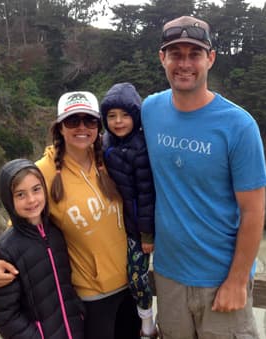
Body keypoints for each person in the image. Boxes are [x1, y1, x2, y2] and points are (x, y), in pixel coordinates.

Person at [141, 16, 266, 338]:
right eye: (176, 54)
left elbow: (253, 211)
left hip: (220, 278)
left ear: (210, 58)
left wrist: (238, 281)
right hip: (168, 276)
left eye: (194, 54)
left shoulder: (239, 126)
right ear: (163, 58)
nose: (185, 63)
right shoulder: (150, 110)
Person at [0, 91, 141, 339]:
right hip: (92, 296)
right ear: (59, 128)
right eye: (72, 121)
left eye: (89, 121)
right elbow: (19, 224)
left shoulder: (109, 158)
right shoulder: (42, 172)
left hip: (128, 287)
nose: (82, 128)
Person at [0, 158, 84, 339]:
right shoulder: (7, 249)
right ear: (9, 200)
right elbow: (4, 316)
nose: (31, 200)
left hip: (74, 331)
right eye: (20, 195)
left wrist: (79, 313)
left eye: (36, 189)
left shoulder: (57, 232)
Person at [100, 82, 157, 338]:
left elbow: (147, 194)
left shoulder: (141, 147)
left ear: (135, 116)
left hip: (136, 228)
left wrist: (147, 234)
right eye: (112, 116)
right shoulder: (104, 142)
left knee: (136, 275)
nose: (118, 121)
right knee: (118, 274)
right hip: (114, 226)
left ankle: (146, 319)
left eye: (125, 115)